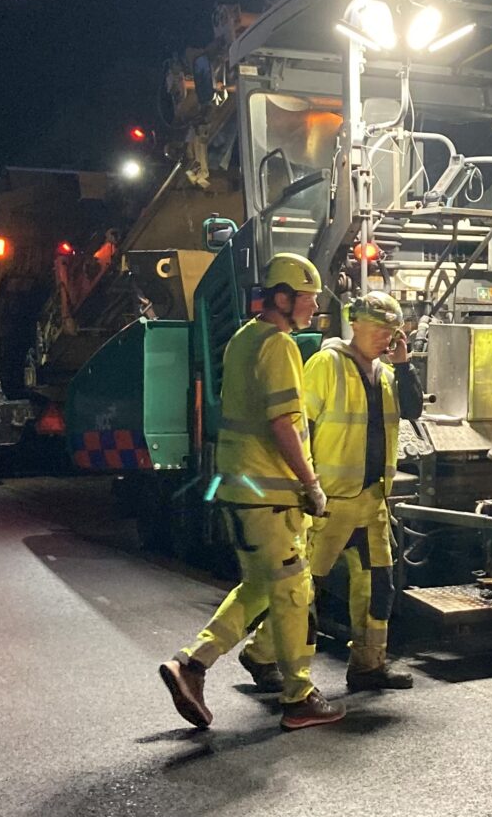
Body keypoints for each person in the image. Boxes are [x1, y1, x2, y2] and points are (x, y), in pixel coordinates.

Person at [158, 253, 345, 731]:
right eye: (307, 298)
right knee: (293, 593)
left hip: (241, 489)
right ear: (282, 298)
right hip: (271, 495)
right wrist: (311, 483)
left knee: (260, 587)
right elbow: (283, 423)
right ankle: (299, 696)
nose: (314, 306)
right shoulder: (279, 345)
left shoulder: (244, 339)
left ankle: (191, 665)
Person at [238, 291, 424, 693]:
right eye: (378, 329)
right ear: (354, 324)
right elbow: (296, 425)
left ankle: (368, 665)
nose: (386, 337)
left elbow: (413, 410)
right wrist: (304, 485)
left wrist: (404, 363)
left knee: (377, 586)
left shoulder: (386, 375)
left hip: (372, 501)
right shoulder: (327, 365)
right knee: (303, 588)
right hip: (329, 503)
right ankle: (261, 654)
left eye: (391, 331)